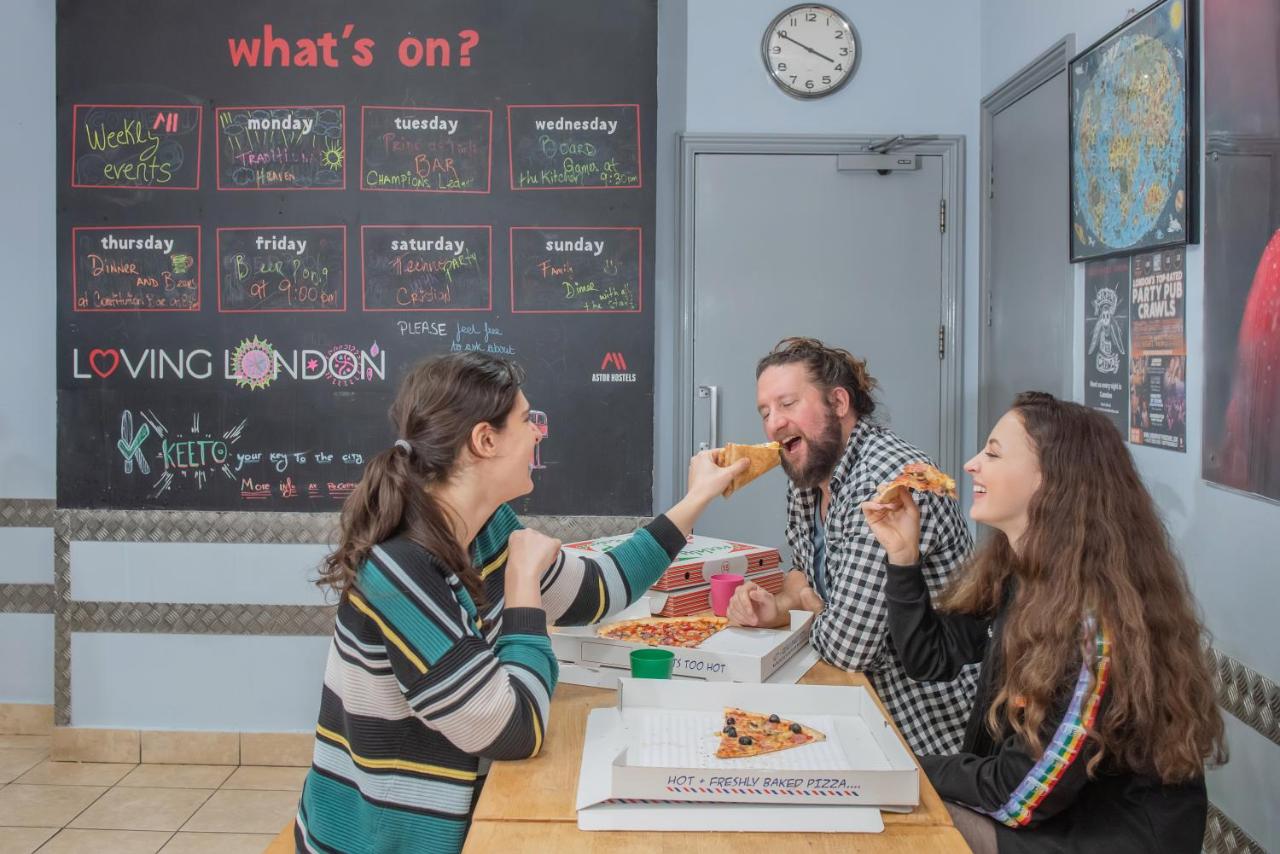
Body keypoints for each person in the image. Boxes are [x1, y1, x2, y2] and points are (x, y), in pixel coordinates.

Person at [293, 352, 749, 854]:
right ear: (484, 440)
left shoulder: (489, 527)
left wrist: (695, 499)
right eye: (527, 420)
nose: (538, 433)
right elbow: (513, 730)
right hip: (384, 843)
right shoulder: (400, 567)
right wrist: (524, 586)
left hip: (462, 811)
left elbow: (598, 590)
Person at [861, 392, 1225, 854]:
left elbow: (1018, 796)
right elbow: (928, 657)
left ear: (1051, 479)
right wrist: (902, 557)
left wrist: (904, 768)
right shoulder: (1021, 575)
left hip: (1102, 839)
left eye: (993, 453)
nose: (971, 464)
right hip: (1047, 817)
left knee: (897, 821)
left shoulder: (1095, 630)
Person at [726, 337, 977, 755]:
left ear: (839, 402)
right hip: (853, 703)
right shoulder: (811, 474)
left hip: (923, 731)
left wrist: (810, 607)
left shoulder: (887, 481)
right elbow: (800, 574)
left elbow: (847, 648)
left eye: (787, 404)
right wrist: (783, 607)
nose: (773, 424)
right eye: (765, 412)